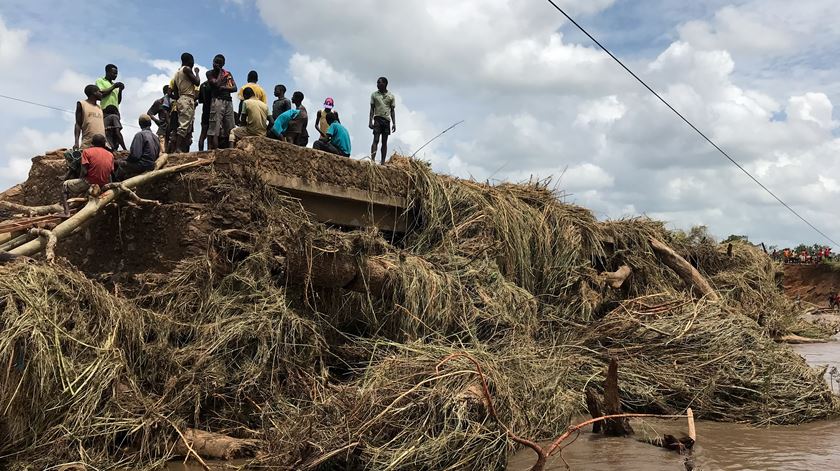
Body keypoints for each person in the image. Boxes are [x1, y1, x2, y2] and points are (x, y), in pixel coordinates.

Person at [62, 134, 113, 214]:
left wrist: (81, 179)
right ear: (104, 144)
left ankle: (66, 212)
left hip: (90, 182)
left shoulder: (87, 152)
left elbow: (84, 171)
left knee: (65, 185)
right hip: (104, 184)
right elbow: (110, 171)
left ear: (92, 143)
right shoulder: (110, 155)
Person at [115, 114, 160, 180]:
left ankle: (116, 183)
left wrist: (126, 160)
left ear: (140, 124)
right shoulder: (155, 137)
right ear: (150, 124)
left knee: (120, 164)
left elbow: (135, 156)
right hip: (151, 165)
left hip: (142, 165)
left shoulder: (140, 135)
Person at [171, 53, 201, 152]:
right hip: (187, 99)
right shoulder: (186, 69)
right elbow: (197, 82)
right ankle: (178, 148)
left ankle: (180, 148)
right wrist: (197, 72)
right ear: (189, 61)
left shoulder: (177, 73)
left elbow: (175, 92)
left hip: (181, 99)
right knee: (184, 125)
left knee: (186, 125)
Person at [207, 54, 237, 150]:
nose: (215, 64)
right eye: (215, 62)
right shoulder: (209, 73)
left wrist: (224, 88)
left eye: (219, 63)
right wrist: (220, 72)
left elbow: (235, 88)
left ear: (223, 64)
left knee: (230, 126)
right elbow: (216, 84)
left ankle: (230, 150)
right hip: (217, 100)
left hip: (228, 101)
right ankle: (214, 150)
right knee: (215, 127)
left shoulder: (228, 74)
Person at [369, 76, 396, 164]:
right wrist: (370, 121)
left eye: (379, 82)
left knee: (384, 142)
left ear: (385, 84)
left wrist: (394, 123)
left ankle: (383, 162)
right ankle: (372, 160)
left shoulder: (391, 96)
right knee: (375, 139)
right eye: (377, 83)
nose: (378, 84)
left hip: (386, 120)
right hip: (377, 119)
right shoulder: (374, 95)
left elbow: (392, 110)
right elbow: (372, 109)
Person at [74, 85, 105, 149]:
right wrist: (76, 142)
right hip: (88, 143)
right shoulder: (82, 104)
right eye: (100, 92)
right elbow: (78, 124)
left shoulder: (100, 108)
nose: (102, 94)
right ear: (94, 92)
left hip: (101, 144)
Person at [197, 71, 213, 151]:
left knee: (203, 133)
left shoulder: (202, 85)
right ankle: (209, 151)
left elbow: (200, 100)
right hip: (212, 111)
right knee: (210, 133)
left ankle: (200, 151)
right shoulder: (213, 85)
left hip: (205, 111)